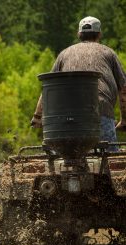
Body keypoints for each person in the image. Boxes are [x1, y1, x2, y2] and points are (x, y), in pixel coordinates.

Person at [31, 16, 126, 151]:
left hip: (66, 116)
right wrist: (124, 120)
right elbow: (123, 88)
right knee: (110, 156)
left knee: (63, 156)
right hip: (100, 110)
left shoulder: (64, 54)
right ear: (99, 34)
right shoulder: (109, 53)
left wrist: (37, 117)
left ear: (79, 34)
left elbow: (48, 88)